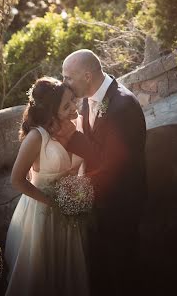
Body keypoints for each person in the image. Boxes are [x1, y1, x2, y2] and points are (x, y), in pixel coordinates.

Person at [59, 49, 147, 296]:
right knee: (103, 270)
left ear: (87, 75)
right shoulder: (88, 99)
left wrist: (72, 191)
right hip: (100, 202)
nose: (64, 83)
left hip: (122, 204)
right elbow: (93, 147)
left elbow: (117, 165)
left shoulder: (123, 105)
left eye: (68, 77)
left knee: (124, 269)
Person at [4, 76, 90, 296]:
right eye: (66, 106)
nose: (74, 109)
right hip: (41, 214)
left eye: (73, 100)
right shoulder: (36, 138)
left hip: (71, 211)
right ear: (52, 112)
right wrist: (53, 203)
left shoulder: (78, 123)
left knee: (68, 270)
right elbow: (17, 180)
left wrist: (79, 189)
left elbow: (84, 162)